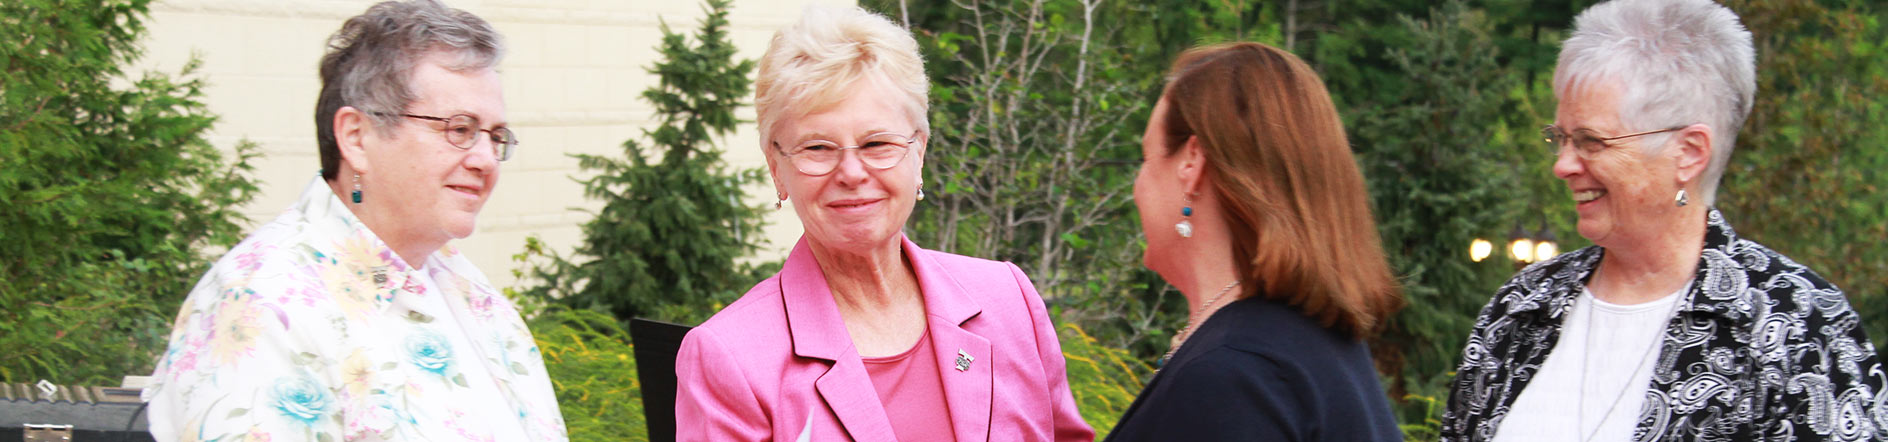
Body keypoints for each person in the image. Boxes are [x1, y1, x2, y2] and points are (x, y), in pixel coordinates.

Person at [1442, 0, 1887, 440]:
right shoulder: (1523, 307)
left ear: (1689, 152)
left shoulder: (1796, 324)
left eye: (1590, 141)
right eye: (1560, 138)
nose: (1562, 165)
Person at [141, 1, 567, 441]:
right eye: (459, 129)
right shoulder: (259, 305)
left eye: (495, 136)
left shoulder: (465, 290)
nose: (484, 159)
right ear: (356, 137)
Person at [672, 5, 1094, 441]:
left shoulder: (1008, 301)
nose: (851, 173)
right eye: (818, 148)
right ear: (778, 168)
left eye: (877, 143)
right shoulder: (730, 357)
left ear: (919, 153)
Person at [1104, 42, 1404, 441]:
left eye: (1145, 159)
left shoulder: (1233, 377)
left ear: (1191, 163)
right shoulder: (1310, 349)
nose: (1137, 188)